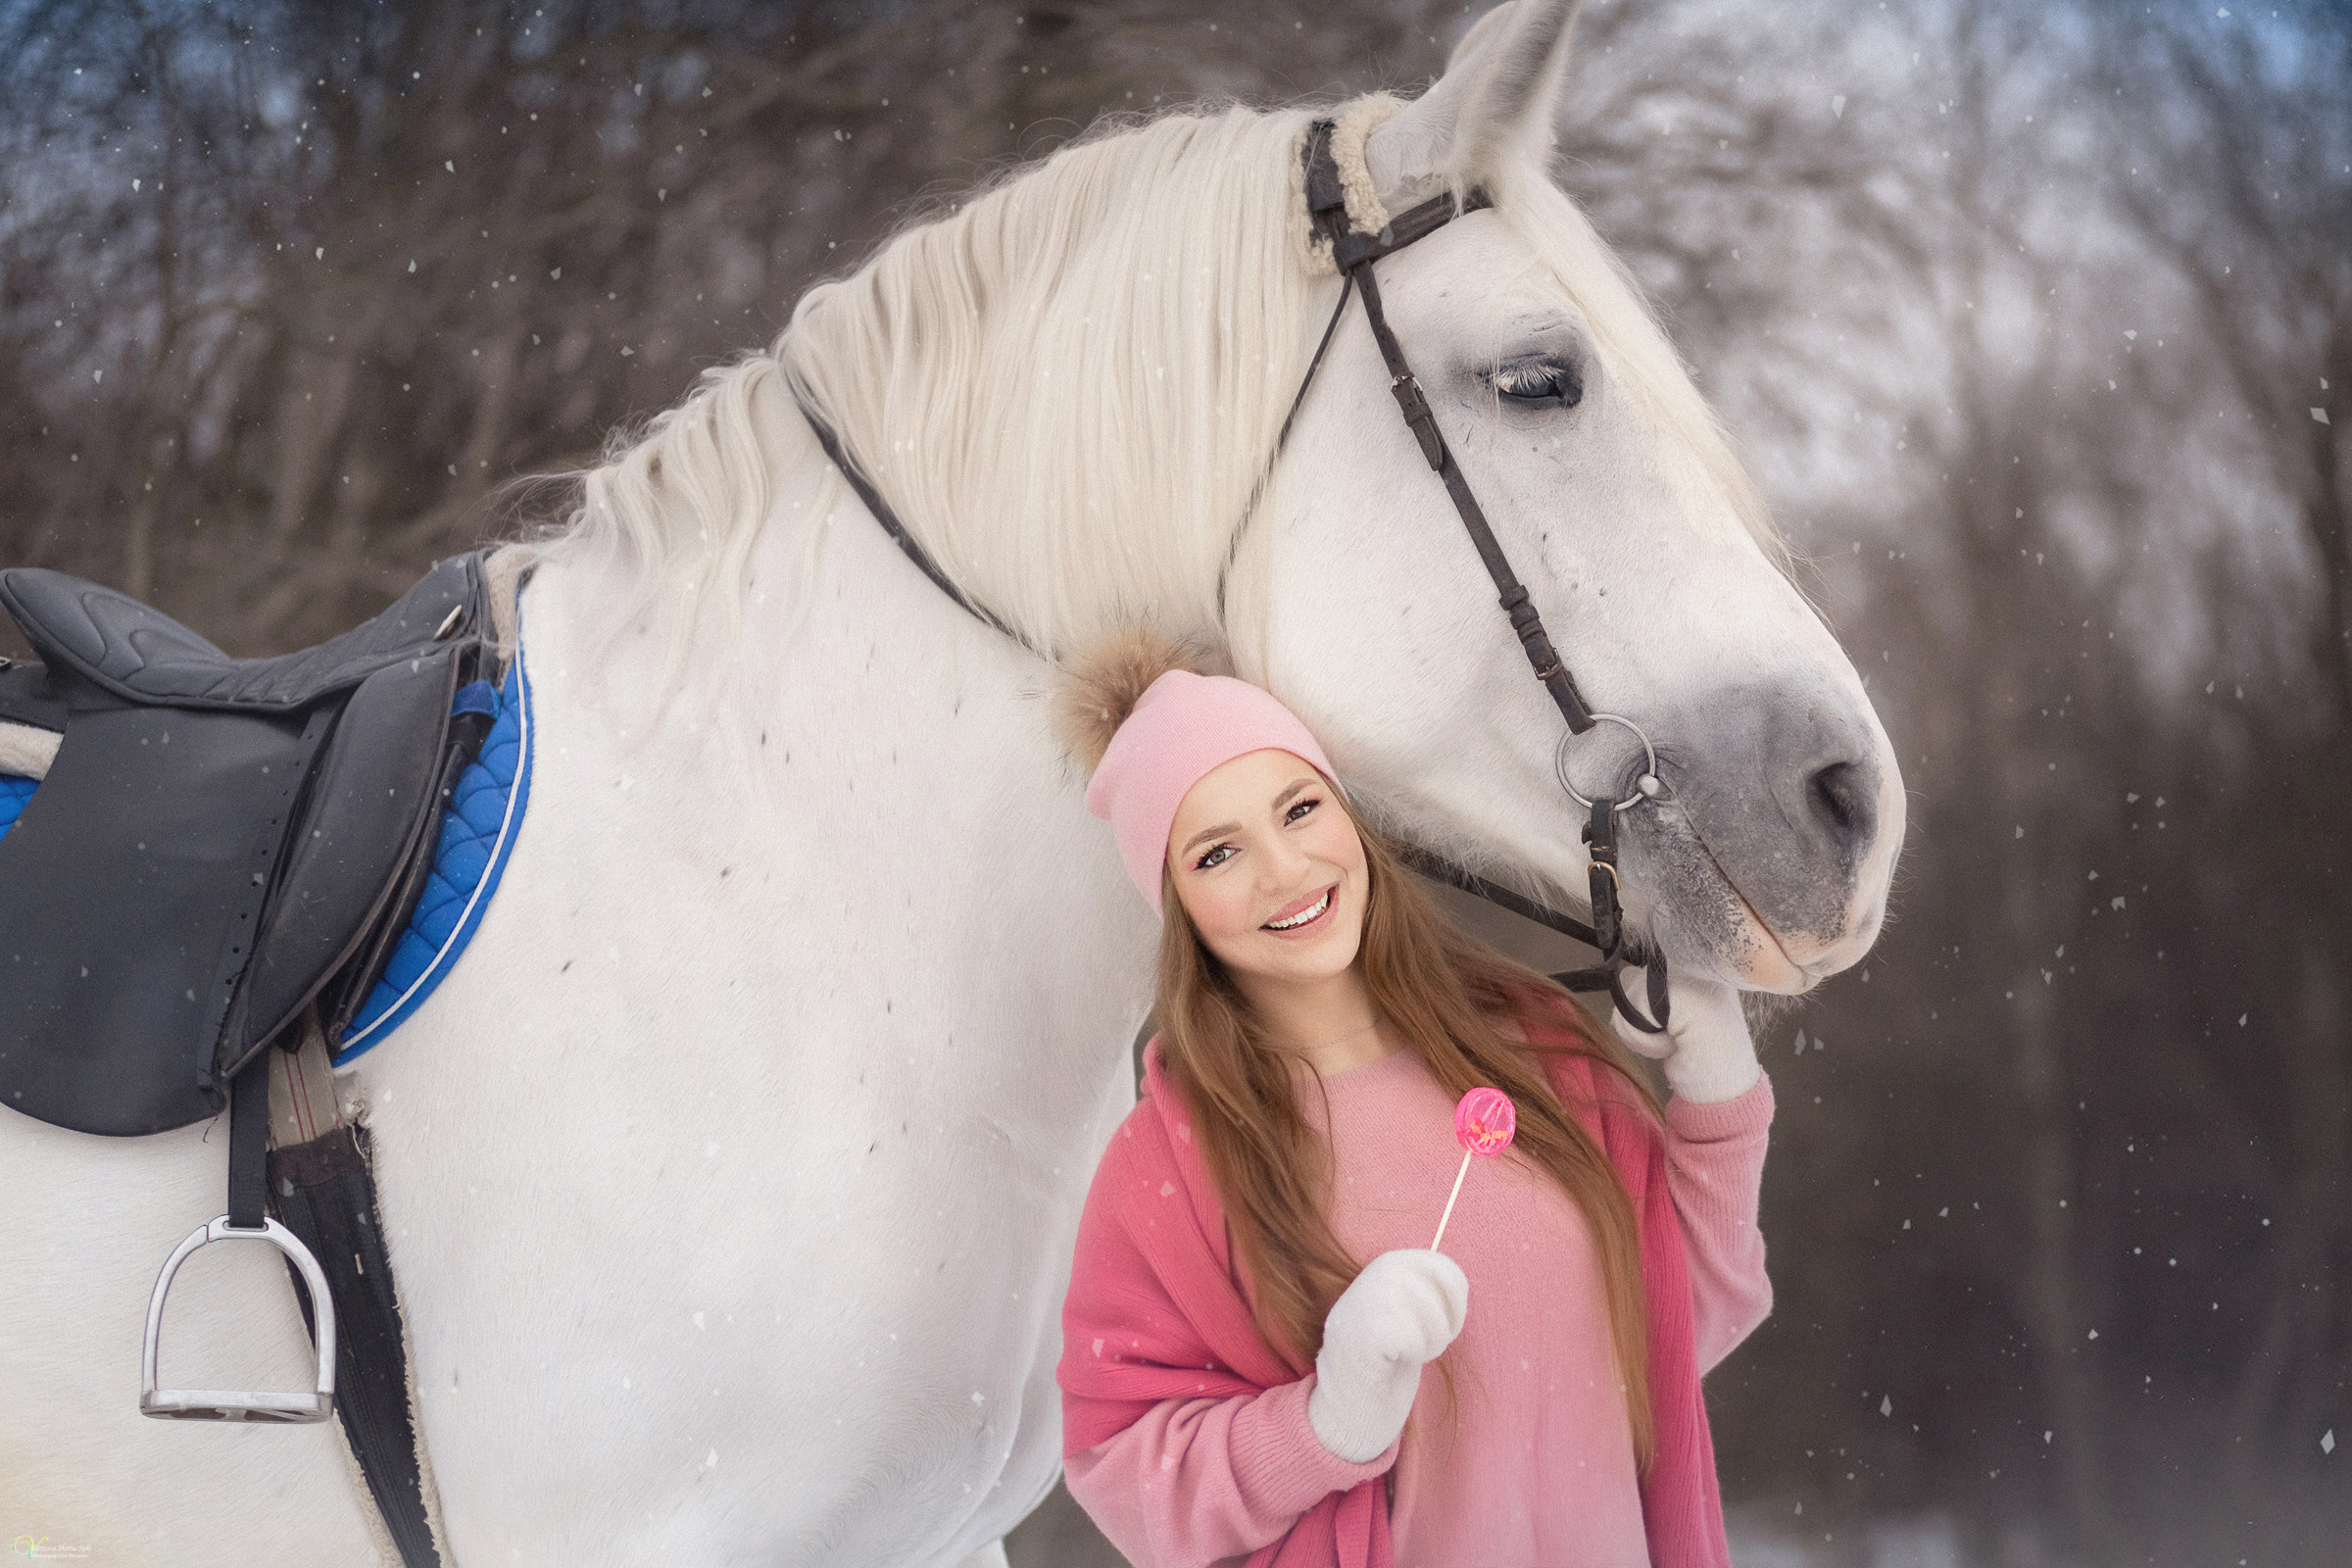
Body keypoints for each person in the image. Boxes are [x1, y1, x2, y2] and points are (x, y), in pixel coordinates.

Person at [1051, 629, 1775, 1568]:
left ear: (1350, 819)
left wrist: (1722, 1104)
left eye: (1300, 808)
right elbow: (1124, 1475)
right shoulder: (1168, 1169)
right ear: (1176, 903)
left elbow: (1687, 1321)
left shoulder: (1538, 1052)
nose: (1284, 869)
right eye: (1217, 854)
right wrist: (1320, 1428)